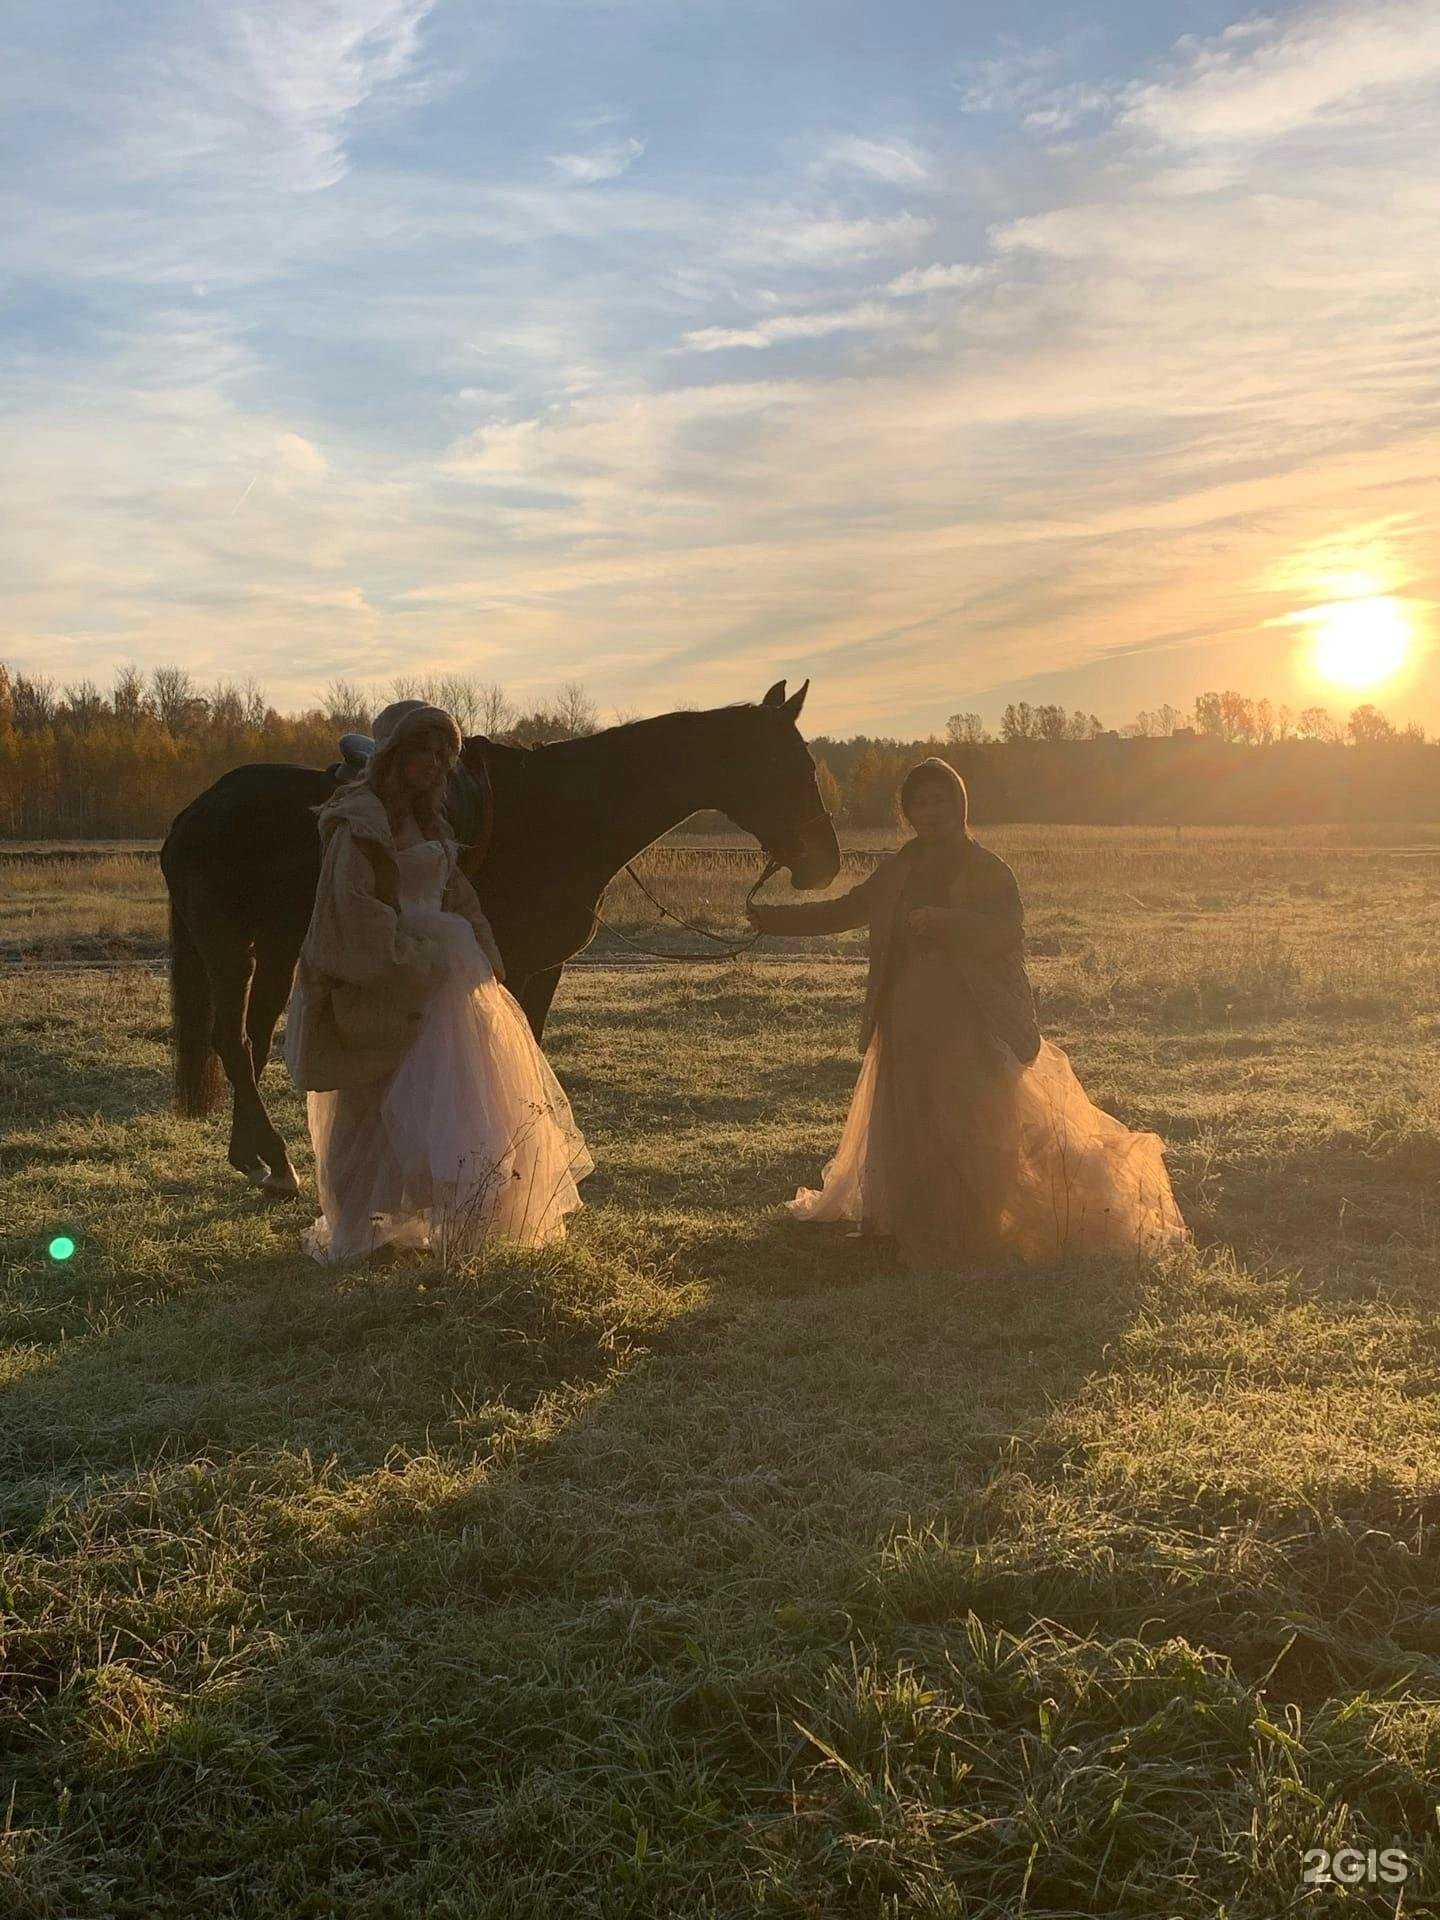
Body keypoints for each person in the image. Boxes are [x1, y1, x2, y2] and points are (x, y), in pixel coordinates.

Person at [746, 757, 1187, 1268]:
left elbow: (1008, 932)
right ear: (907, 812)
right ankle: (913, 1223)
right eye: (920, 803)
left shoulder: (988, 868)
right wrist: (771, 921)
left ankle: (972, 1224)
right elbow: (845, 910)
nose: (930, 812)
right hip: (906, 1014)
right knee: (910, 1119)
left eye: (940, 801)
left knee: (972, 1121)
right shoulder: (900, 866)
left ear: (960, 804)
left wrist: (947, 922)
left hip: (970, 1016)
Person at [283, 700, 592, 1263]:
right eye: (421, 751)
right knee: (370, 1097)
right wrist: (407, 962)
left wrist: (482, 949)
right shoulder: (358, 821)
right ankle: (357, 1229)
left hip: (450, 973)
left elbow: (456, 892)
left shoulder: (431, 822)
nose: (432, 764)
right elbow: (351, 907)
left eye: (441, 754)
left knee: (460, 1097)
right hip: (392, 971)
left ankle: (469, 1223)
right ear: (394, 755)